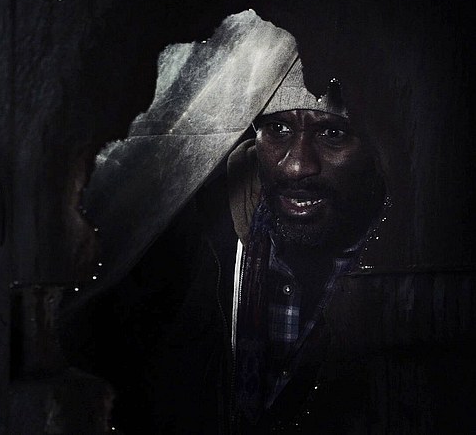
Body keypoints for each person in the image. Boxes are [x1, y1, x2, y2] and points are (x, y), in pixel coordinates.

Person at [62, 57, 387, 434]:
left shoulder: (397, 250)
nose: (296, 166)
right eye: (278, 128)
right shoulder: (188, 235)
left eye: (333, 133)